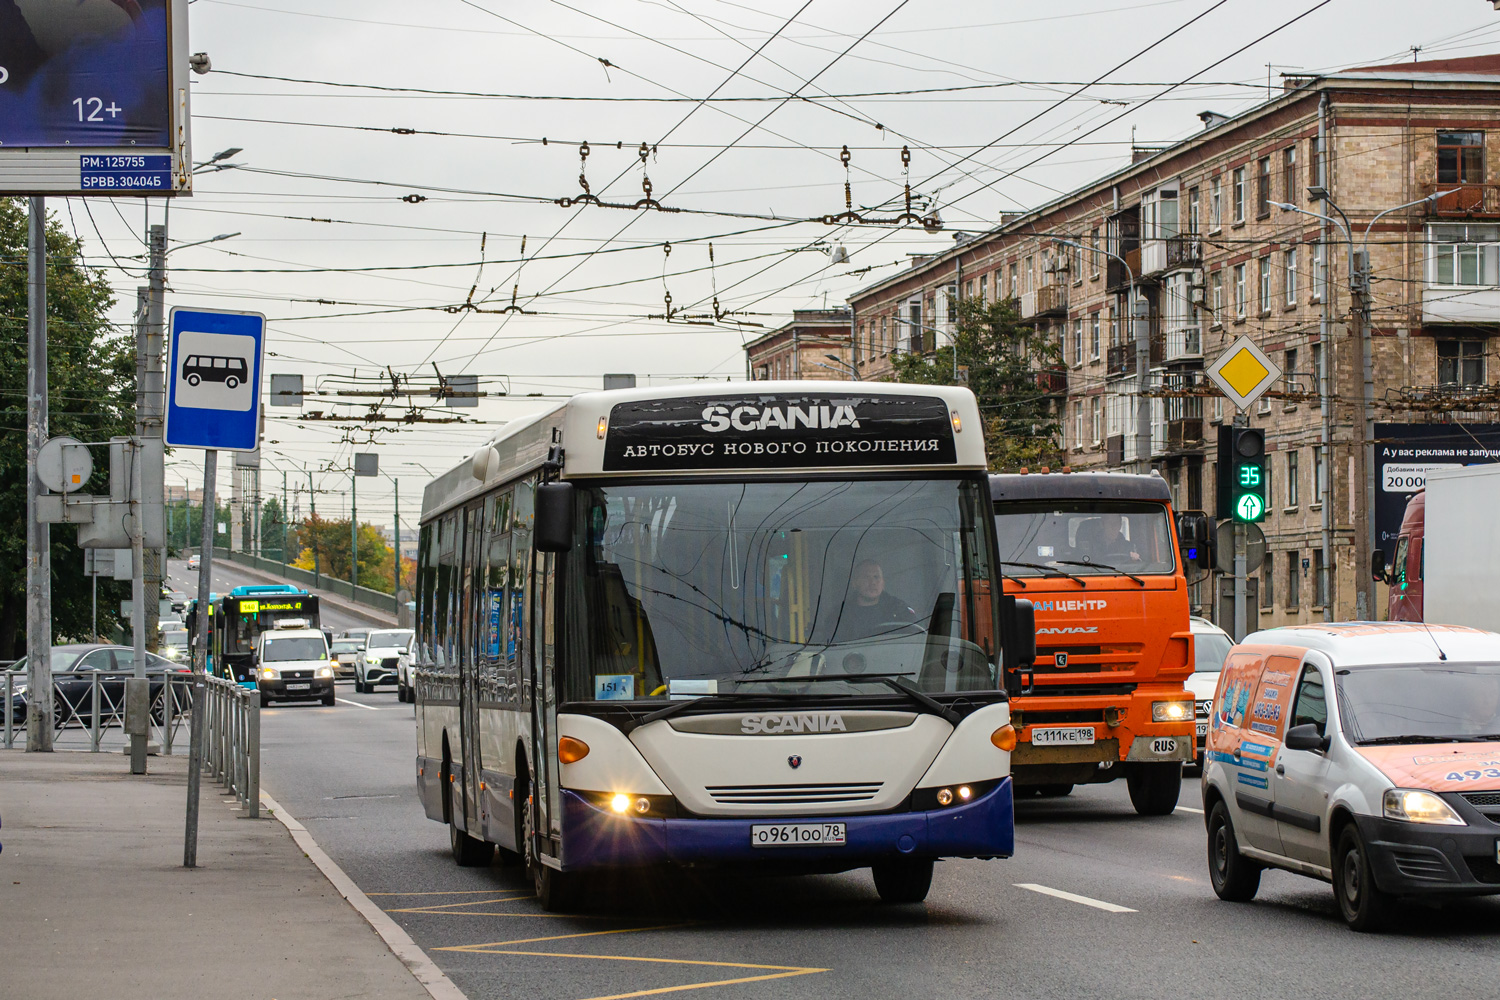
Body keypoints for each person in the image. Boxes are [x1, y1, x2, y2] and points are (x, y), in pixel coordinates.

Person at [834, 559, 916, 641]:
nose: (872, 582)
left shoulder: (899, 609)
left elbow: (915, 639)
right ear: (855, 583)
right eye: (866, 577)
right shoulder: (840, 616)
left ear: (883, 583)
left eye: (876, 577)